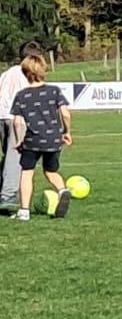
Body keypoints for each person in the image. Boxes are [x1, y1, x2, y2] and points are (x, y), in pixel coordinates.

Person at [9, 53, 71, 221]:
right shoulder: (54, 91)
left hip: (32, 141)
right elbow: (65, 113)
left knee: (27, 173)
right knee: (51, 171)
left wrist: (19, 140)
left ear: (25, 73)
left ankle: (24, 212)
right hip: (53, 139)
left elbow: (17, 122)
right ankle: (63, 191)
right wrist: (66, 132)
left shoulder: (22, 96)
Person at [1, 41, 46, 210]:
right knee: (15, 156)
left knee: (7, 155)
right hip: (16, 118)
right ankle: (8, 195)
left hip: (1, 116)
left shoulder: (7, 73)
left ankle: (3, 188)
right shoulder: (27, 74)